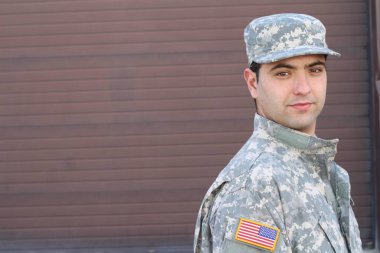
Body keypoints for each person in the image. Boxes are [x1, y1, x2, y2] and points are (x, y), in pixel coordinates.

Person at [193, 13, 362, 253]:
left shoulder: (319, 169)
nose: (303, 88)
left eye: (314, 70)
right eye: (283, 73)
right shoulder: (254, 188)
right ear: (253, 83)